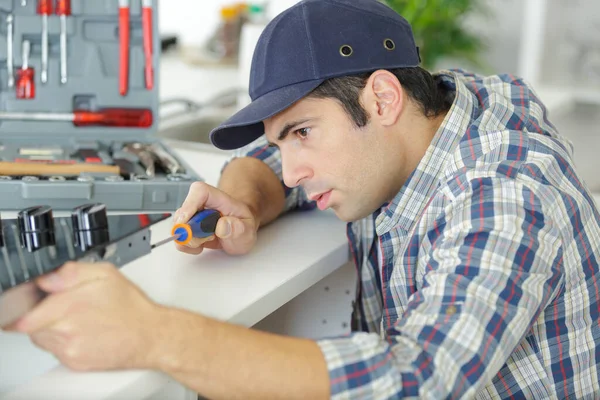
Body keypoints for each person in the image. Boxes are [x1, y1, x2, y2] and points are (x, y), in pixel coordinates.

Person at [4, 0, 600, 398]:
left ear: (383, 99)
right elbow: (269, 166)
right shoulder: (426, 119)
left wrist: (153, 335)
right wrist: (241, 198)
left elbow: (418, 380)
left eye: (302, 133)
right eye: (280, 140)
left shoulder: (507, 193)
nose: (291, 173)